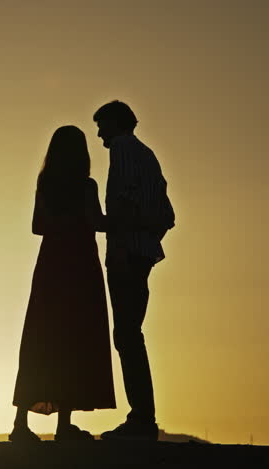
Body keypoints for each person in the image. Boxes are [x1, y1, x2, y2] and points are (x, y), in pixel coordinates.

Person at [10, 125, 116, 442]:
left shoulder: (47, 184)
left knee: (41, 340)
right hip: (80, 266)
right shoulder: (86, 187)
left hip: (51, 267)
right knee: (75, 341)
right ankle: (64, 426)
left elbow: (36, 226)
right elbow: (98, 223)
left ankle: (20, 424)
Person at [93, 100, 175, 441]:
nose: (99, 134)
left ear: (117, 123)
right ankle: (142, 417)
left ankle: (141, 419)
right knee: (129, 334)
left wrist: (124, 246)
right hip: (140, 254)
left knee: (126, 335)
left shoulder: (124, 149)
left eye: (102, 126)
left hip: (128, 255)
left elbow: (124, 200)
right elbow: (167, 216)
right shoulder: (148, 155)